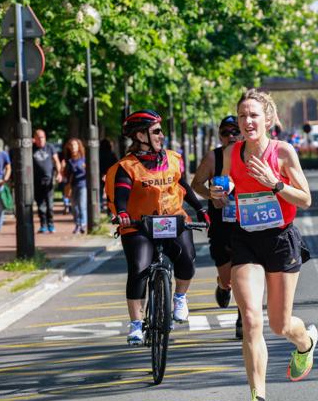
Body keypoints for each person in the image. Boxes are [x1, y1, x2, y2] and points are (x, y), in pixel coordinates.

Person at [210, 90, 316, 401]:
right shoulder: (232, 152)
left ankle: (306, 342)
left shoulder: (283, 153)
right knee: (252, 320)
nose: (247, 121)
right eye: (242, 116)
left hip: (281, 239)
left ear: (267, 119)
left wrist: (276, 184)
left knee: (280, 326)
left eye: (254, 115)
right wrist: (218, 193)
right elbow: (224, 192)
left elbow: (306, 199)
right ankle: (259, 400)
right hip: (246, 238)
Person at [105, 109, 209, 346]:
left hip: (171, 219)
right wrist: (121, 212)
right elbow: (121, 193)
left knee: (187, 259)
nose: (162, 136)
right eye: (156, 131)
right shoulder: (127, 166)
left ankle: (180, 297)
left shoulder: (173, 158)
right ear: (141, 136)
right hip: (138, 225)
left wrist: (201, 210)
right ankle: (135, 324)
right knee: (139, 268)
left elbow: (183, 186)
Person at [191, 115, 243, 339]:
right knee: (228, 276)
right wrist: (210, 195)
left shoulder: (251, 155)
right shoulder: (214, 157)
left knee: (245, 271)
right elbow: (196, 184)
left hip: (247, 222)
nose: (230, 136)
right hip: (221, 222)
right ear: (220, 136)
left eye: (235, 132)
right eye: (225, 133)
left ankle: (243, 318)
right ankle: (223, 287)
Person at [32, 129, 62, 233]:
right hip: (36, 181)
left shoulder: (50, 147)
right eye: (38, 138)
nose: (40, 140)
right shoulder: (31, 148)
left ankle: (51, 224)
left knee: (49, 204)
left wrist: (59, 173)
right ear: (34, 138)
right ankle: (43, 225)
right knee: (40, 205)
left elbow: (56, 161)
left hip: (49, 180)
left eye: (42, 137)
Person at [63, 138, 88, 234]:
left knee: (82, 205)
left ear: (78, 146)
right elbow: (66, 175)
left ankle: (83, 224)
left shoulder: (84, 159)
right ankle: (77, 224)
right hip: (72, 186)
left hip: (83, 185)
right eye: (71, 145)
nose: (73, 147)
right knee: (74, 207)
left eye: (75, 145)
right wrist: (62, 169)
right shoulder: (68, 160)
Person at [99, 138, 118, 212]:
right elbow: (115, 165)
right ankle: (109, 210)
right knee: (109, 194)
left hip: (100, 175)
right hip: (110, 176)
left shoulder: (98, 154)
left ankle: (100, 206)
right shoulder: (112, 155)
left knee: (99, 191)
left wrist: (102, 174)